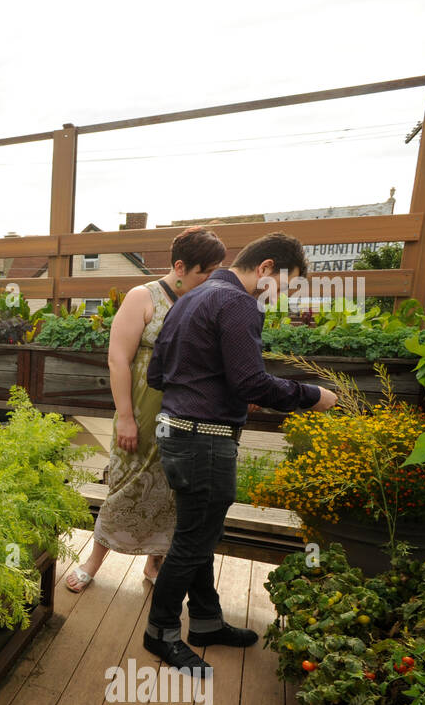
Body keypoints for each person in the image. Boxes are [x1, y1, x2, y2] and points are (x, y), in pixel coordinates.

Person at [143, 232, 338, 672]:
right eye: (282, 288)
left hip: (177, 432)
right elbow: (251, 382)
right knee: (192, 541)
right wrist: (313, 396)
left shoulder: (191, 297)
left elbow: (159, 375)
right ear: (266, 268)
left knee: (200, 535)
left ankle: (207, 621)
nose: (278, 299)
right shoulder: (236, 303)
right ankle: (160, 633)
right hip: (204, 440)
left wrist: (217, 389)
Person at [65, 227, 226, 593]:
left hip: (184, 414)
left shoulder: (203, 299)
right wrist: (125, 416)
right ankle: (94, 560)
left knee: (172, 490)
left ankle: (156, 564)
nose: (211, 279)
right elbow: (117, 360)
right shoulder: (143, 296)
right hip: (141, 410)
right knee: (126, 485)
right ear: (181, 266)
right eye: (206, 271)